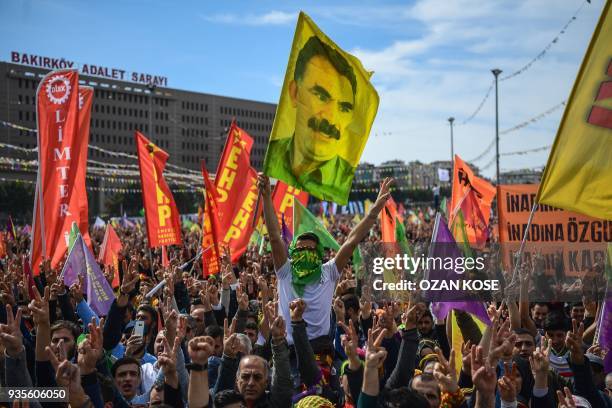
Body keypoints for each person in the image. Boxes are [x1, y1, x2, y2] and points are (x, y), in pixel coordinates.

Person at [258, 173, 392, 345]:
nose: (305, 252)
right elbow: (275, 237)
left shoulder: (328, 272)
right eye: (300, 249)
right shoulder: (286, 271)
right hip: (288, 351)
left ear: (319, 255)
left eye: (310, 249)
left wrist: (375, 210)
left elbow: (351, 241)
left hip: (320, 352)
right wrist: (267, 196)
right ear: (292, 253)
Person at [264, 35, 359, 199]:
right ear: (295, 93)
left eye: (344, 108)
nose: (330, 118)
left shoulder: (343, 177)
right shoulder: (273, 157)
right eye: (321, 97)